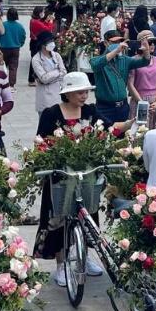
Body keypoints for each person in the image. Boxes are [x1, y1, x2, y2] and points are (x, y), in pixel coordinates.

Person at [35, 73, 102, 285]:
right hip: (61, 178)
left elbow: (106, 130)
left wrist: (127, 125)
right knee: (59, 220)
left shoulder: (90, 112)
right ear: (68, 93)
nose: (84, 96)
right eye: (80, 92)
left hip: (85, 176)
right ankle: (61, 265)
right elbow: (41, 142)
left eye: (86, 92)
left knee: (88, 215)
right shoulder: (51, 114)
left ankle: (84, 258)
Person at [90, 30, 150, 125]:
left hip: (122, 106)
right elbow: (96, 65)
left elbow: (144, 62)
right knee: (105, 135)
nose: (118, 44)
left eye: (119, 42)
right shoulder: (97, 60)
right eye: (114, 42)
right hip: (104, 108)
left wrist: (146, 51)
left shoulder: (125, 60)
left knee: (123, 136)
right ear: (106, 43)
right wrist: (116, 50)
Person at [127, 32, 156, 120]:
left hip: (154, 101)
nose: (152, 45)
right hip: (138, 99)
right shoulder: (133, 60)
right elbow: (130, 85)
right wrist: (141, 102)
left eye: (154, 43)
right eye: (149, 42)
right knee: (139, 130)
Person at [31, 31, 68, 114]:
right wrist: (58, 72)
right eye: (49, 42)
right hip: (45, 97)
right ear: (42, 44)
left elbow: (64, 72)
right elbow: (44, 78)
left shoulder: (57, 55)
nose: (52, 43)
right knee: (45, 122)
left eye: (52, 41)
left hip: (58, 93)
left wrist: (52, 75)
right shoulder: (36, 59)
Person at [0, 7, 27, 86]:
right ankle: (11, 84)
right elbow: (23, 37)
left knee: (2, 65)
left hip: (3, 48)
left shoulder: (3, 25)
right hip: (15, 48)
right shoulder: (20, 26)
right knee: (13, 67)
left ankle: (2, 82)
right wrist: (20, 44)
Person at [28, 7, 55, 85]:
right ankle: (32, 79)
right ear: (39, 13)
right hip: (36, 42)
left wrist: (47, 21)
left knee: (36, 59)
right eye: (42, 12)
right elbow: (47, 29)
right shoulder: (36, 22)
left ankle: (34, 78)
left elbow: (43, 25)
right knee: (35, 60)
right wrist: (51, 21)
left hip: (35, 41)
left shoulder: (34, 20)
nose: (43, 14)